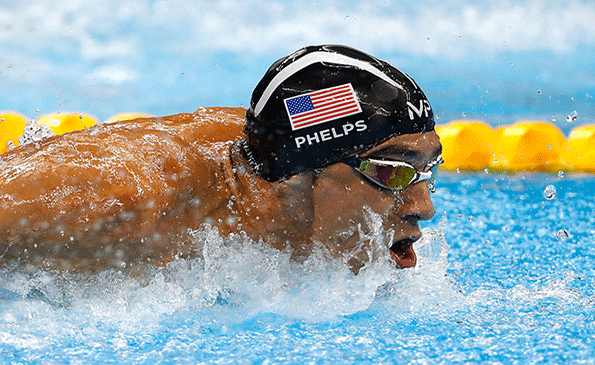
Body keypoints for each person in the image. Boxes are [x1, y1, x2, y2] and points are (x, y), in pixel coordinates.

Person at [0, 45, 442, 274]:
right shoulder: (121, 199)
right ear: (299, 175)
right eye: (391, 172)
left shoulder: (272, 170)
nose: (424, 207)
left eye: (425, 171)